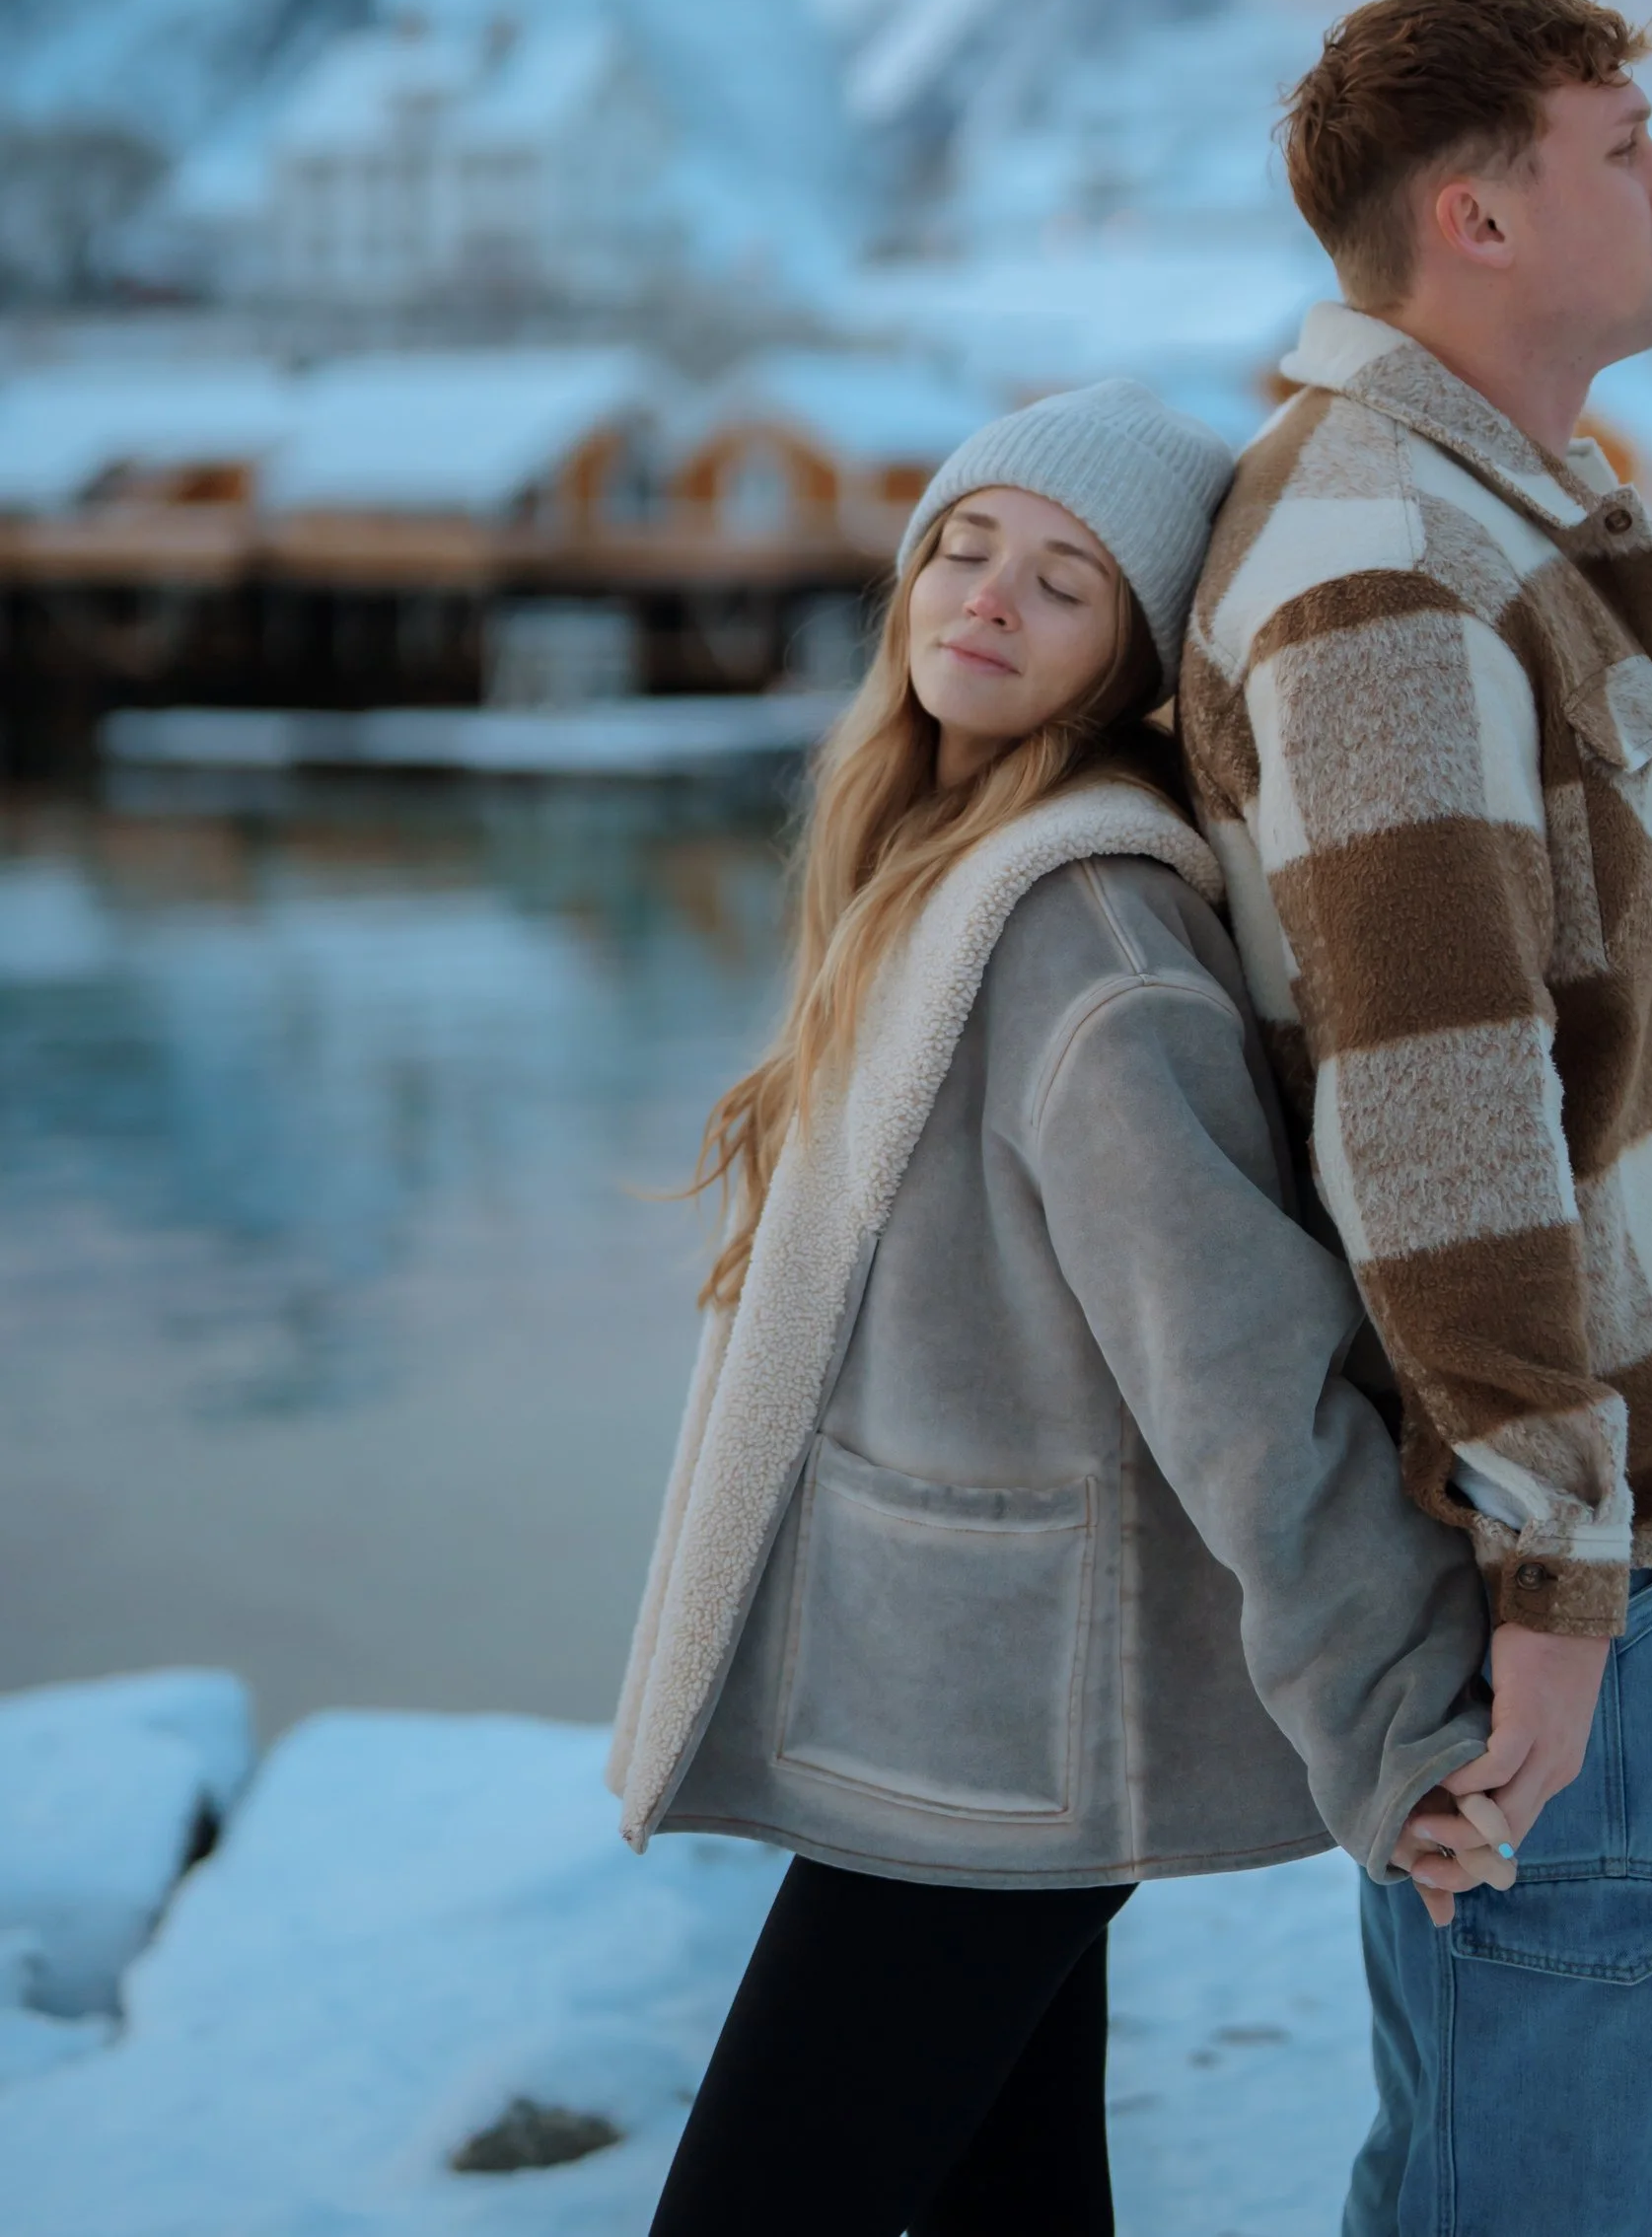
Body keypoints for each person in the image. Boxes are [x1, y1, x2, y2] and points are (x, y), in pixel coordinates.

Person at [611, 378, 1514, 2237]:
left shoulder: (1079, 930)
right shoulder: (932, 875)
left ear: (1124, 668)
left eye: (1065, 582)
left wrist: (1389, 1714)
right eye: (964, 542)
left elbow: (1240, 1357)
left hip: (996, 1726)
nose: (989, 597)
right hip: (962, 1708)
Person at [1181, 0, 1652, 2237]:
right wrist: (1551, 1579)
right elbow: (1431, 1113)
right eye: (1622, 142)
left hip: (1625, 1517)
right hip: (1572, 1559)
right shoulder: (1382, 567)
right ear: (1472, 212)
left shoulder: (1496, 518)